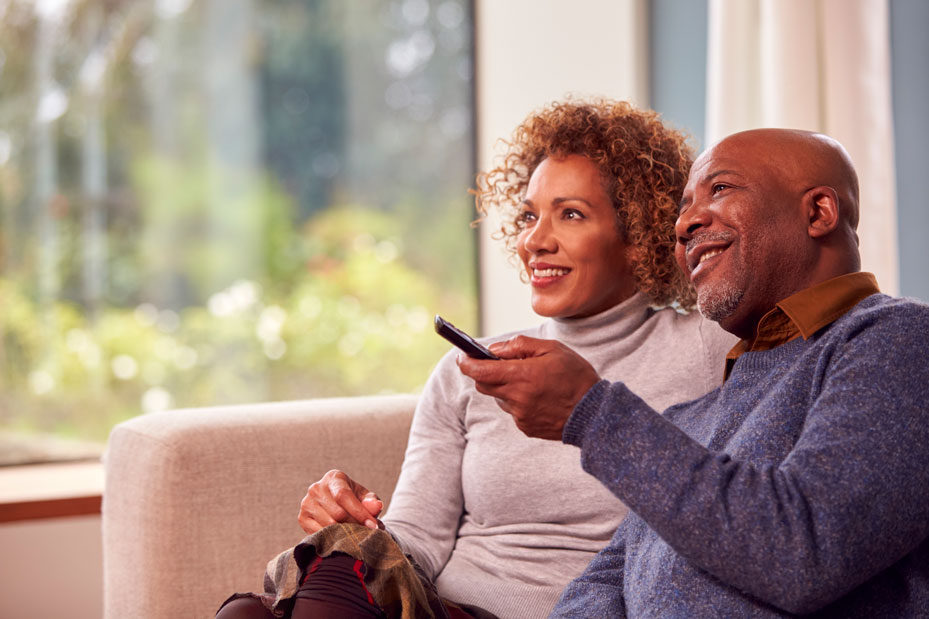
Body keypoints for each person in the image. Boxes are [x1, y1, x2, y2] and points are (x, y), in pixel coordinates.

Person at [216, 99, 736, 619]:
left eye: (570, 214)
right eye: (530, 215)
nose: (535, 240)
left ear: (639, 235)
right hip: (446, 609)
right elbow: (419, 539)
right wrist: (358, 526)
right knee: (275, 598)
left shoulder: (710, 350)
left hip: (573, 609)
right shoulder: (467, 373)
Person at [459, 128, 929, 617]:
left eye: (720, 189)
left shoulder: (899, 341)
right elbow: (602, 583)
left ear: (818, 213)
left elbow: (805, 551)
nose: (684, 223)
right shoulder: (691, 417)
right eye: (684, 205)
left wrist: (592, 413)